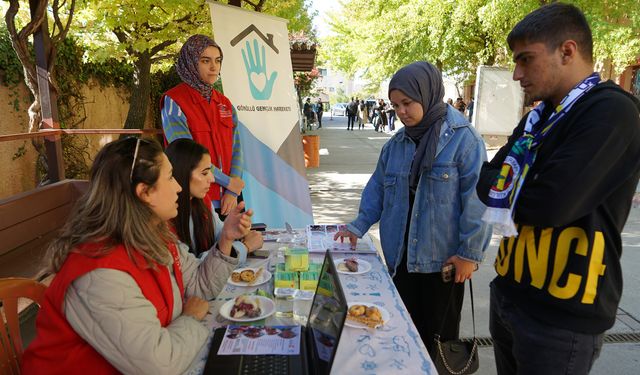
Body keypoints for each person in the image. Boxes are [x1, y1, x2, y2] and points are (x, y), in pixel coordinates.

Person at [475, 3, 640, 374]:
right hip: (509, 292)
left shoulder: (612, 112)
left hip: (561, 316)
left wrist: (508, 184)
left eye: (526, 60)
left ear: (567, 51)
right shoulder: (539, 116)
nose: (517, 74)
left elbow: (552, 205)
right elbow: (484, 180)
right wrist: (512, 184)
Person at [22, 137, 255, 374]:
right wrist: (190, 317)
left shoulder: (155, 237)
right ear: (144, 192)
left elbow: (199, 287)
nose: (178, 187)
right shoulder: (99, 274)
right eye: (170, 177)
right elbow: (160, 365)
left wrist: (226, 239)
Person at [334, 61, 491, 355]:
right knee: (402, 340)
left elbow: (478, 201)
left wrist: (470, 254)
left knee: (437, 346)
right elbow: (378, 189)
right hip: (400, 262)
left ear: (428, 93)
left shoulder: (464, 140)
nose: (402, 111)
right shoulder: (396, 144)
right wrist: (357, 226)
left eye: (407, 102)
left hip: (443, 265)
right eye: (395, 106)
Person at [161, 34, 244, 218]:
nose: (214, 67)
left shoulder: (224, 103)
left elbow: (237, 147)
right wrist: (228, 182)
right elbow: (186, 155)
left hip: (230, 198)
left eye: (218, 60)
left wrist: (232, 189)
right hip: (195, 199)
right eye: (206, 60)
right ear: (191, 63)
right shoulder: (174, 100)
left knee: (236, 244)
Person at [166, 138, 263, 260]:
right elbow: (195, 269)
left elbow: (219, 236)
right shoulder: (166, 216)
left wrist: (235, 230)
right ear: (183, 173)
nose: (212, 179)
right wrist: (244, 247)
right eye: (204, 173)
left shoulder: (203, 202)